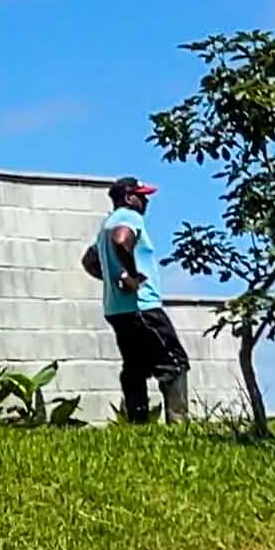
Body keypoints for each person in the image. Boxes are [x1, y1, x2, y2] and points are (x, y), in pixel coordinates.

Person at [95, 176, 188, 424]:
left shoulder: (105, 225)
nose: (145, 201)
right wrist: (133, 276)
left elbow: (89, 261)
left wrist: (113, 278)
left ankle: (138, 424)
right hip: (143, 306)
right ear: (128, 198)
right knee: (174, 363)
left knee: (135, 367)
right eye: (141, 195)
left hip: (116, 309)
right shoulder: (128, 218)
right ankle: (178, 426)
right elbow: (122, 239)